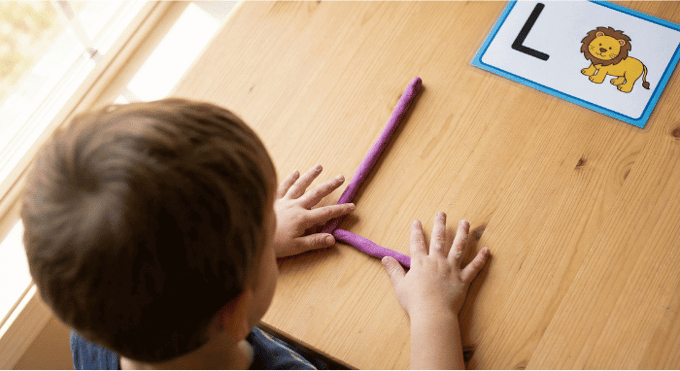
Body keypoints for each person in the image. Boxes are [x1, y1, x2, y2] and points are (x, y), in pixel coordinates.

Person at [21, 99, 490, 370]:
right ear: (238, 310)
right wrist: (433, 315)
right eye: (265, 228)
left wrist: (244, 244)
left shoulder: (96, 336)